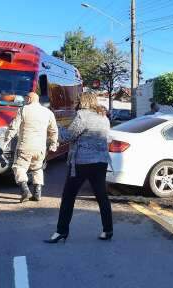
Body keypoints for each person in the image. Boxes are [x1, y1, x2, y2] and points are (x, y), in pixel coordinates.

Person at [45, 93, 113, 243]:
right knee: (102, 196)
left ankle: (61, 231)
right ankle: (107, 230)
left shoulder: (82, 115)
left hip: (82, 163)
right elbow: (107, 138)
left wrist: (58, 126)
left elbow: (67, 136)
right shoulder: (104, 117)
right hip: (101, 161)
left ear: (83, 102)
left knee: (68, 197)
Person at [4, 92, 59, 203]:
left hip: (25, 146)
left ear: (29, 99)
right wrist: (53, 144)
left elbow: (13, 127)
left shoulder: (23, 110)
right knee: (37, 168)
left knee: (19, 167)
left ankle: (25, 191)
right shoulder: (48, 112)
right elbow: (53, 130)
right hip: (40, 148)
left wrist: (6, 140)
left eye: (25, 98)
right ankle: (37, 193)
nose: (25, 100)